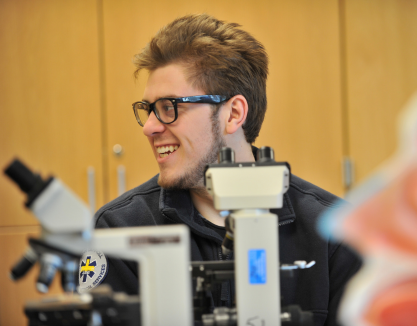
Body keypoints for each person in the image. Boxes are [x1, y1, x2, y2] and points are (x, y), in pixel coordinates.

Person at [93, 13, 361, 326]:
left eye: (169, 108)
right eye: (148, 110)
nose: (149, 127)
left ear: (233, 113)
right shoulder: (120, 229)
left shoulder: (333, 233)